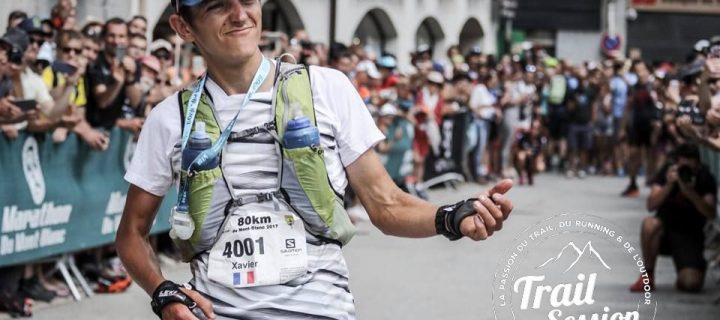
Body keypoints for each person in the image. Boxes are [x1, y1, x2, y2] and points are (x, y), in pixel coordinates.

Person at [116, 1, 514, 319]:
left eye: (248, 0)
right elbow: (131, 233)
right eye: (218, 5)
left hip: (321, 310)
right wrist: (163, 292)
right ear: (184, 27)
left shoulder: (327, 88)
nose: (240, 14)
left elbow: (386, 204)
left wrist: (454, 216)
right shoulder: (171, 118)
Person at [630, 143, 717, 292]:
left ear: (698, 165)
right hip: (664, 231)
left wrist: (690, 192)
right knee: (649, 224)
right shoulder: (667, 172)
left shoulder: (705, 177)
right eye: (682, 166)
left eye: (690, 167)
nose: (686, 171)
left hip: (690, 235)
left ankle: (686, 270)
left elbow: (709, 212)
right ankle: (648, 275)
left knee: (691, 284)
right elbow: (651, 205)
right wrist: (669, 185)